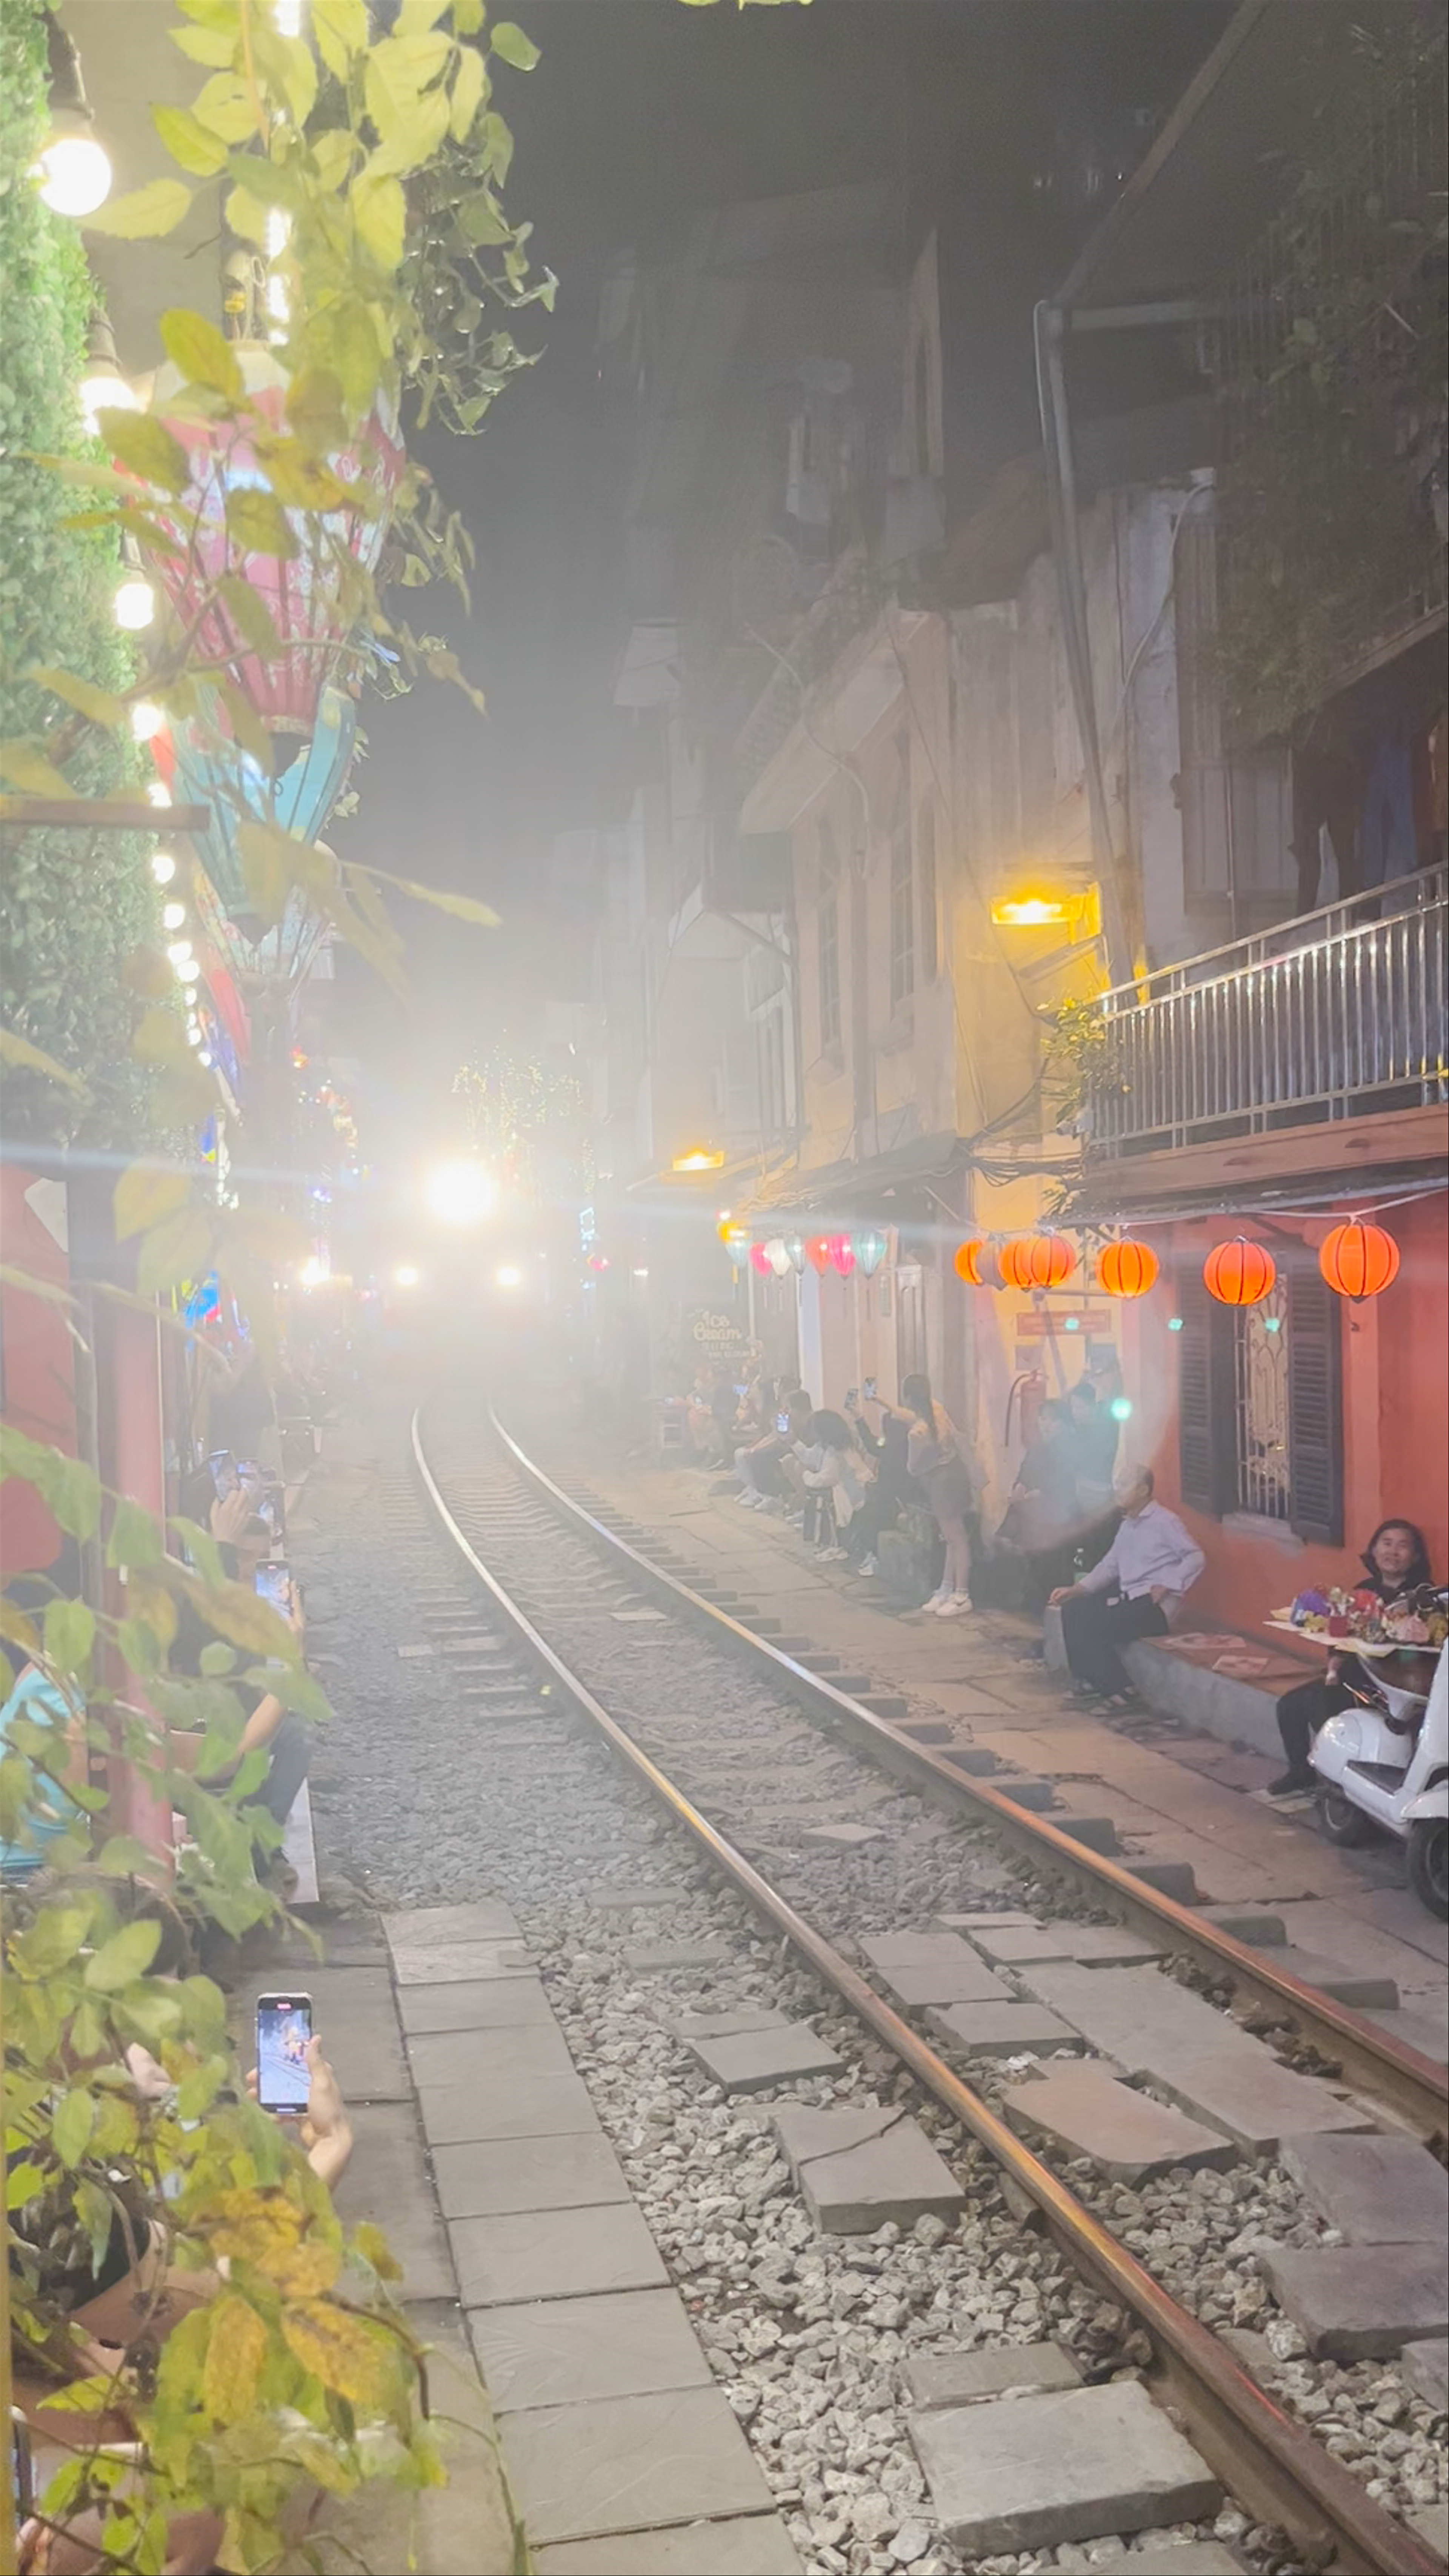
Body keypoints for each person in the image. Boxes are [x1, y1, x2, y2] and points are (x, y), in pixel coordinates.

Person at [170, 1480, 312, 1866]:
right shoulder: (206, 1596)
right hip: (213, 1710)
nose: (250, 1567)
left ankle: (267, 1836)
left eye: (260, 1557)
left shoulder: (267, 1597)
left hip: (256, 1701)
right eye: (243, 1556)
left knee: (298, 1736)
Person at [1268, 1518, 1436, 1795]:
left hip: (1392, 1687)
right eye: (1386, 1543)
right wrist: (1333, 1669)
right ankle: (1301, 1772)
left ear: (1415, 1556)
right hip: (1354, 1676)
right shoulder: (1364, 1589)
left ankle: (1341, 1787)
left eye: (1402, 1546)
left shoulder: (1423, 1597)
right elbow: (1342, 1635)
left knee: (1320, 1705)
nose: (1393, 1552)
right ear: (1374, 1550)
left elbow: (1420, 1654)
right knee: (1290, 1704)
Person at [1050, 1466, 1205, 1707]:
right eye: (1118, 1484)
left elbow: (1196, 1557)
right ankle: (1088, 1681)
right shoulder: (1128, 1526)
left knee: (1092, 1625)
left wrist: (1168, 1584)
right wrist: (1076, 1589)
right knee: (1073, 1609)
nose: (1118, 1490)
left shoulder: (1165, 1521)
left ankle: (1120, 1690)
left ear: (1143, 1490)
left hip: (1155, 1608)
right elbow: (1110, 1566)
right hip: (1130, 1600)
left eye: (1124, 1484)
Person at [891, 1373, 983, 1618]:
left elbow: (913, 1467)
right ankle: (947, 1587)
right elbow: (906, 1414)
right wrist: (880, 1401)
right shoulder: (937, 1409)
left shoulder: (917, 1433)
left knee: (956, 1538)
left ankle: (962, 1594)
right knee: (952, 1537)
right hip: (956, 1475)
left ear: (908, 1398)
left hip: (941, 1484)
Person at [998, 1397, 1082, 1609]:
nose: (1046, 1424)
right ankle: (1029, 1594)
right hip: (1034, 1511)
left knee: (1050, 1556)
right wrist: (1020, 1487)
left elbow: (1066, 1483)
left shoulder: (1071, 1448)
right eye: (1043, 1419)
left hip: (1060, 1512)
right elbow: (1025, 1473)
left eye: (1052, 1420)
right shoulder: (1037, 1447)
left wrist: (1040, 1493)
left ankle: (1050, 1596)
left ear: (1064, 1423)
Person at [844, 1403, 914, 1576]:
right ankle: (871, 1554)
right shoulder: (901, 1445)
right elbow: (873, 1444)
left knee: (870, 1515)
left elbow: (872, 1445)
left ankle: (874, 1556)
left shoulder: (896, 1450)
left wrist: (859, 1419)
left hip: (899, 1501)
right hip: (894, 1498)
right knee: (867, 1510)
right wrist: (859, 1419)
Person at [800, 1410, 865, 1559]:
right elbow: (810, 1458)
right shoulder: (841, 1445)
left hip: (852, 1497)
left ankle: (834, 1541)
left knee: (822, 1497)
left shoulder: (835, 1452)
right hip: (856, 1491)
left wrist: (805, 1476)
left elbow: (827, 1479)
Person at [736, 1387, 812, 1508]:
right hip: (790, 1447)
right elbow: (777, 1436)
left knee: (761, 1457)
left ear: (797, 1409)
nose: (786, 1412)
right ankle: (758, 1491)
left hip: (800, 1452)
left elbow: (791, 1441)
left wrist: (787, 1432)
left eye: (789, 1408)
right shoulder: (787, 1418)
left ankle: (773, 1496)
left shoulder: (811, 1422)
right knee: (755, 1455)